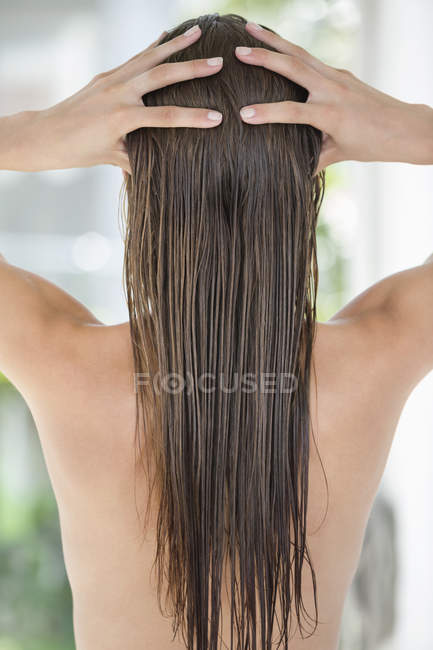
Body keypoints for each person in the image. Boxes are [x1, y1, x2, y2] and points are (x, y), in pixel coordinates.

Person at [0, 12, 432, 650]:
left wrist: (30, 136)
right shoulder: (383, 348)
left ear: (128, 171)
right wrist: (413, 128)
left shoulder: (57, 357)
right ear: (314, 170)